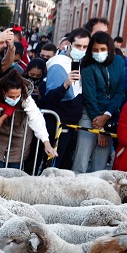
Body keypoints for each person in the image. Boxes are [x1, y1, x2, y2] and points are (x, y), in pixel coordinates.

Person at [74, 31, 127, 174]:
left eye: (102, 49)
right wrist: (100, 129)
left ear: (109, 48)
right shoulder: (87, 65)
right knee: (81, 162)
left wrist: (107, 116)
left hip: (108, 116)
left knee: (100, 166)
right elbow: (90, 97)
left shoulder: (119, 62)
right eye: (95, 50)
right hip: (89, 115)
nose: (99, 53)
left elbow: (120, 92)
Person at [0, 70, 54, 171]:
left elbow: (36, 118)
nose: (15, 99)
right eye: (11, 96)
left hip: (19, 144)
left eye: (17, 96)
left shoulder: (26, 97)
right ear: (3, 92)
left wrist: (46, 142)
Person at [45, 27, 88, 169]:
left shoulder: (79, 63)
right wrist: (65, 85)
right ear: (68, 44)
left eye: (85, 47)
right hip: (58, 126)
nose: (81, 49)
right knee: (52, 168)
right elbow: (50, 99)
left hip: (71, 126)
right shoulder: (58, 65)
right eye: (78, 46)